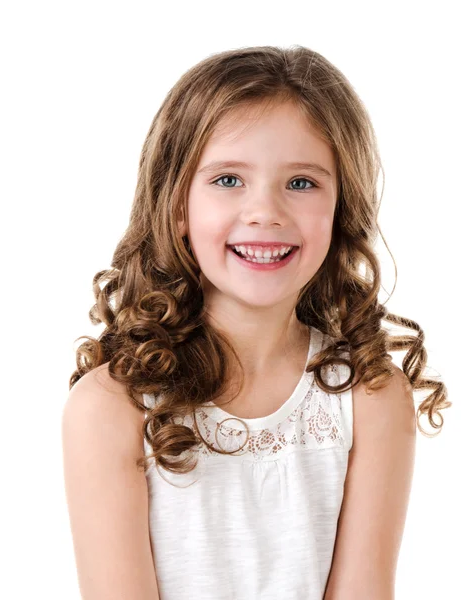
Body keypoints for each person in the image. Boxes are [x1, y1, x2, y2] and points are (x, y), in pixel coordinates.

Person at [62, 45, 451, 600]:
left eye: (301, 183)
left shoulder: (370, 396)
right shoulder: (112, 408)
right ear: (177, 205)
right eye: (227, 180)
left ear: (342, 209)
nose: (265, 211)